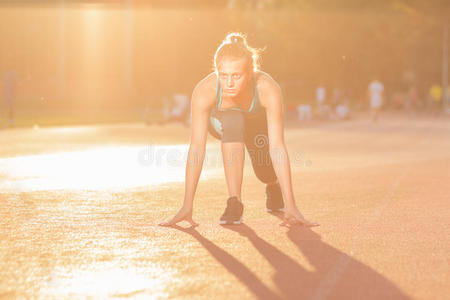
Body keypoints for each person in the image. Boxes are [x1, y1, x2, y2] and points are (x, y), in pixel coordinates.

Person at [159, 33, 318, 227]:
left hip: (254, 124)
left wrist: (291, 204)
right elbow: (196, 148)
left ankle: (272, 185)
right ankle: (234, 202)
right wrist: (187, 204)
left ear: (250, 73)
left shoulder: (267, 88)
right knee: (233, 119)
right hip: (221, 123)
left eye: (236, 76)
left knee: (264, 172)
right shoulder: (204, 91)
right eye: (223, 76)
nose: (229, 83)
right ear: (217, 72)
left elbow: (277, 146)